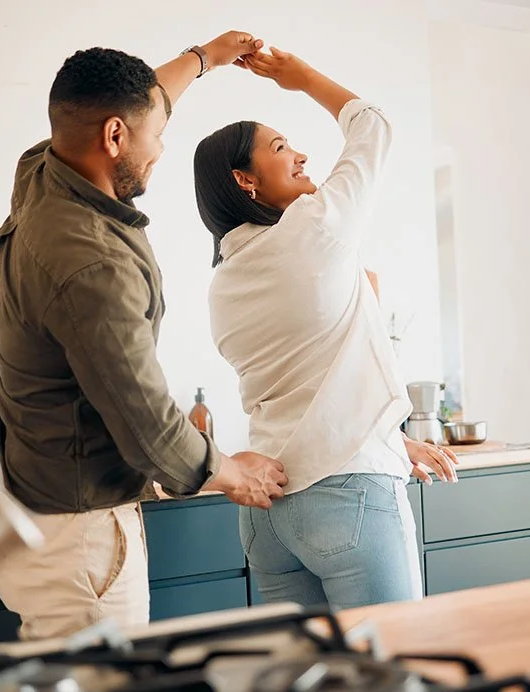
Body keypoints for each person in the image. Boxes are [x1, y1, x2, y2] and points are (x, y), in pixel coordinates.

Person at [0, 32, 289, 641]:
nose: (160, 151)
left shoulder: (41, 173)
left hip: (32, 515)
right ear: (115, 136)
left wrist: (203, 59)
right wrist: (231, 470)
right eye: (156, 136)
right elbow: (148, 422)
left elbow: (127, 104)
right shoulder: (91, 263)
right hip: (83, 537)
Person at [192, 47, 459, 609]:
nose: (301, 154)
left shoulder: (222, 283)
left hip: (268, 512)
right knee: (393, 673)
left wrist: (394, 438)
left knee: (310, 681)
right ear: (245, 180)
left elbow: (309, 380)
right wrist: (300, 77)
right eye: (281, 147)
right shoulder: (314, 229)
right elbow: (373, 126)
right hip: (350, 498)